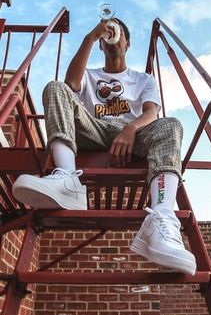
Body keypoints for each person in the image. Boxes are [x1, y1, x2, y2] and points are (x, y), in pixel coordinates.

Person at [13, 18, 196, 275]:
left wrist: (130, 129)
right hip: (93, 130)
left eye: (117, 32)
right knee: (56, 88)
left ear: (127, 43)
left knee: (171, 125)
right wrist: (91, 36)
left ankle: (163, 217)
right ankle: (67, 179)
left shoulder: (143, 79)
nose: (112, 37)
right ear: (101, 44)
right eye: (106, 35)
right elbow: (71, 85)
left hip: (134, 135)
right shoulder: (89, 74)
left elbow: (152, 113)